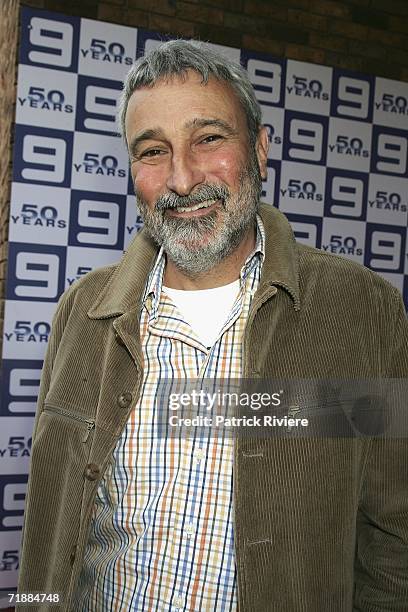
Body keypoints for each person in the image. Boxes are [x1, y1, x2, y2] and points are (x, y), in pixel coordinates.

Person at [18, 40, 408, 611]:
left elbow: (392, 538)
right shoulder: (84, 309)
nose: (181, 178)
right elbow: (48, 524)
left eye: (208, 139)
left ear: (259, 146)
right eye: (153, 151)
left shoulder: (359, 309)